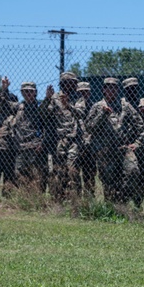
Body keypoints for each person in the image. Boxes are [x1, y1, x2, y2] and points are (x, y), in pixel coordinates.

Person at [86, 77, 144, 204]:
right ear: (104, 90)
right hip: (105, 151)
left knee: (133, 172)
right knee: (109, 184)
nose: (112, 90)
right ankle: (112, 209)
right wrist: (102, 114)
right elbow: (89, 127)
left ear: (118, 90)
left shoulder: (125, 106)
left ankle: (122, 200)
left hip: (123, 149)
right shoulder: (97, 106)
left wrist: (137, 143)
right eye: (109, 87)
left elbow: (140, 125)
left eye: (115, 88)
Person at [43, 72, 83, 200]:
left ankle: (75, 199)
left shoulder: (79, 99)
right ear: (64, 84)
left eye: (74, 83)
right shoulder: (55, 98)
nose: (73, 85)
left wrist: (68, 105)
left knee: (72, 170)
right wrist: (47, 99)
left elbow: (81, 114)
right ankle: (58, 199)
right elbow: (45, 116)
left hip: (74, 140)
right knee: (59, 171)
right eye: (70, 83)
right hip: (59, 140)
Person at [124, 77, 144, 207]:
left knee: (141, 176)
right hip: (125, 147)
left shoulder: (143, 105)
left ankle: (138, 204)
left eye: (134, 88)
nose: (132, 91)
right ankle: (124, 204)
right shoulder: (121, 105)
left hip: (141, 148)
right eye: (129, 89)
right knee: (126, 176)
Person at [11, 81, 49, 190]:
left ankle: (38, 200)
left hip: (36, 147)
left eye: (30, 91)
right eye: (25, 91)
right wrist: (4, 89)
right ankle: (25, 199)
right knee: (20, 175)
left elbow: (47, 127)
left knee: (38, 176)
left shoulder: (41, 107)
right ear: (22, 92)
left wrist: (42, 143)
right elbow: (2, 105)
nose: (28, 93)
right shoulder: (18, 107)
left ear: (35, 92)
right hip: (21, 147)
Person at [75, 80, 97, 197]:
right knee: (75, 173)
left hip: (91, 146)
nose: (83, 95)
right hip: (77, 144)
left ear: (89, 93)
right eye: (81, 92)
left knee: (89, 175)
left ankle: (89, 199)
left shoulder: (95, 107)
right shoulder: (73, 107)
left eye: (85, 92)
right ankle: (77, 200)